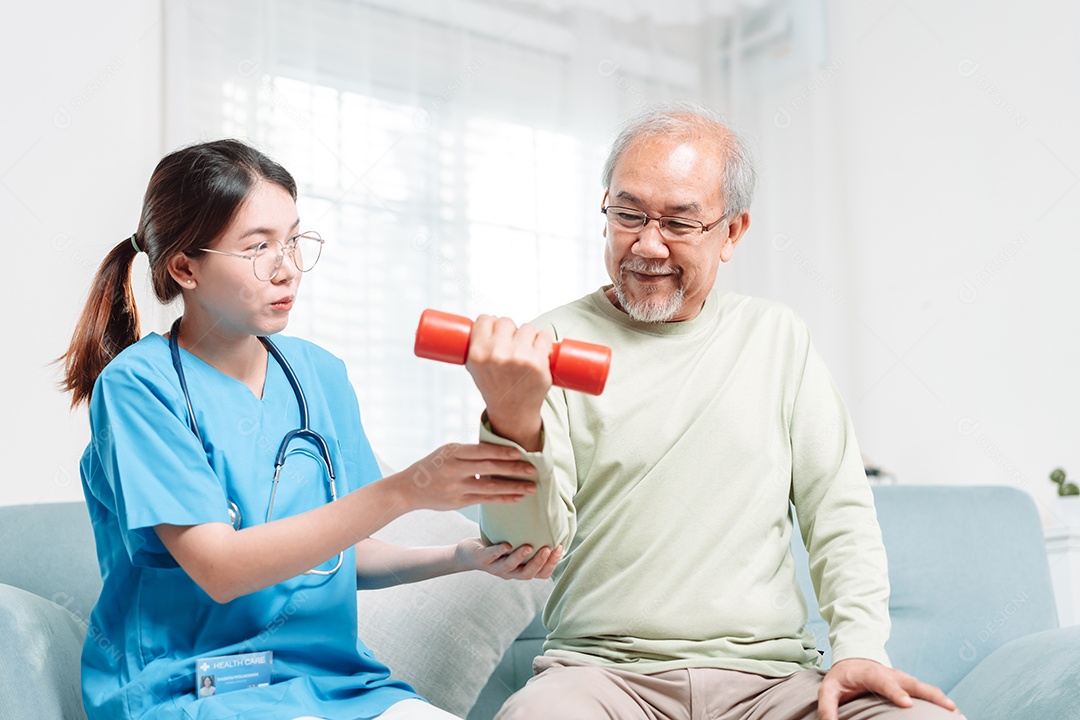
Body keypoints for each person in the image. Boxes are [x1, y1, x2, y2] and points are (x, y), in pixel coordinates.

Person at [463, 104, 965, 720]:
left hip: (772, 682)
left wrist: (860, 649)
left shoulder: (778, 337)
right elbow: (521, 549)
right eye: (629, 214)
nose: (647, 244)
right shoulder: (544, 346)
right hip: (602, 678)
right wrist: (514, 420)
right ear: (605, 213)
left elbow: (839, 511)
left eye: (679, 222)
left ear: (731, 233)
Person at [59, 139, 560, 720]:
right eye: (258, 247)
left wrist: (460, 556)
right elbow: (220, 570)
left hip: (327, 679)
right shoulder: (139, 387)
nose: (287, 267)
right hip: (196, 685)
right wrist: (405, 489)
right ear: (184, 267)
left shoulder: (317, 374)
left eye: (293, 239)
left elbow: (348, 552)